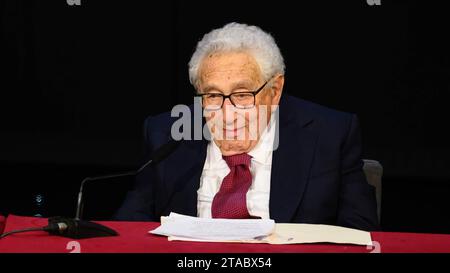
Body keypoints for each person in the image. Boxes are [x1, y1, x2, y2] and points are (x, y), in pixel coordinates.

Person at [115, 22, 379, 231]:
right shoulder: (165, 136)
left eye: (242, 95)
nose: (227, 115)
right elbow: (130, 227)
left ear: (274, 91)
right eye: (213, 96)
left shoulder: (330, 135)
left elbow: (359, 232)